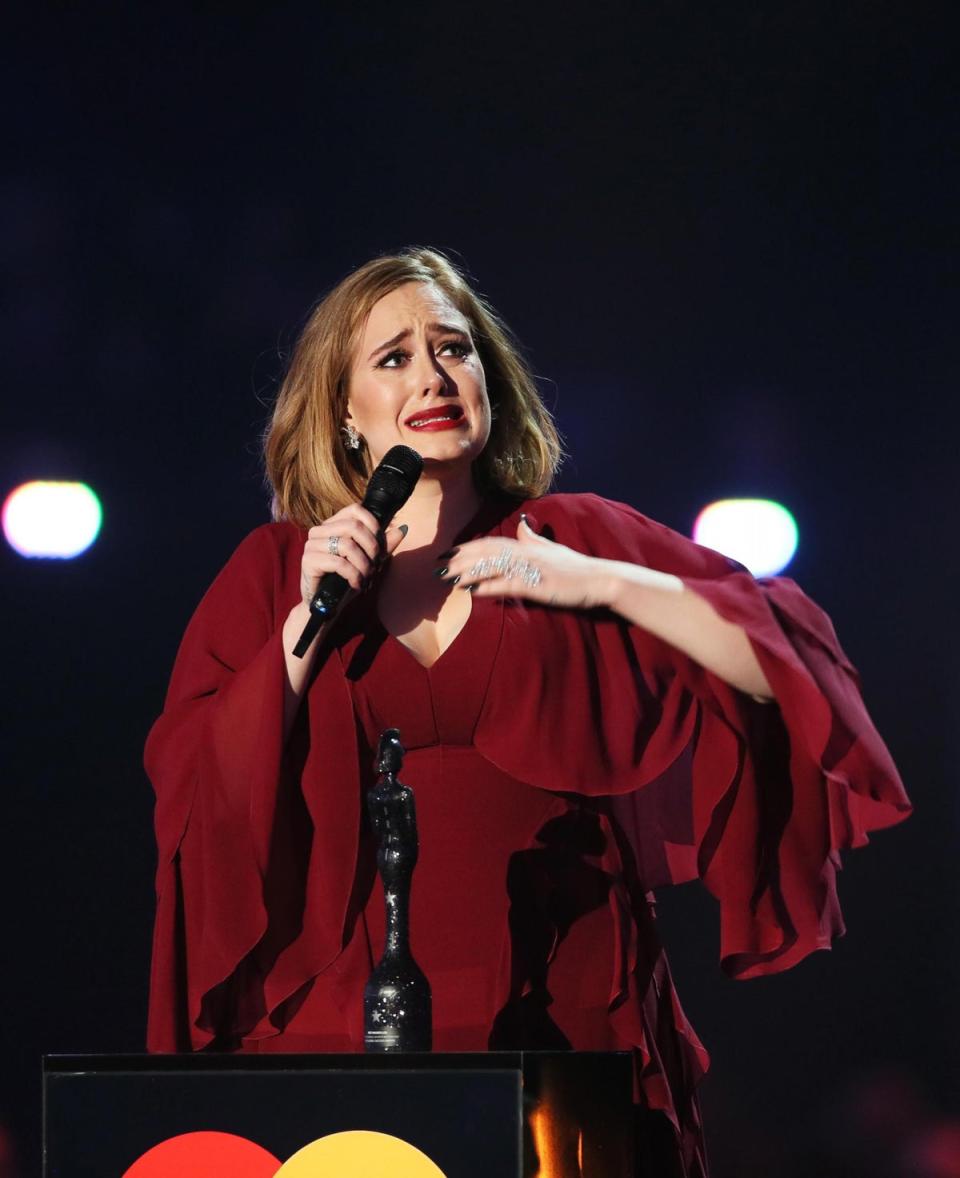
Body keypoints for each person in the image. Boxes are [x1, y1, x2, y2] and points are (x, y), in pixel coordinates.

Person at [144, 247, 911, 1177]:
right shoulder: (274, 574)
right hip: (339, 1033)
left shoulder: (569, 541)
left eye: (453, 349)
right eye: (393, 358)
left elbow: (782, 666)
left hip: (568, 1017)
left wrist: (595, 583)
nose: (432, 374)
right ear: (343, 412)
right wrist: (304, 635)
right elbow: (195, 805)